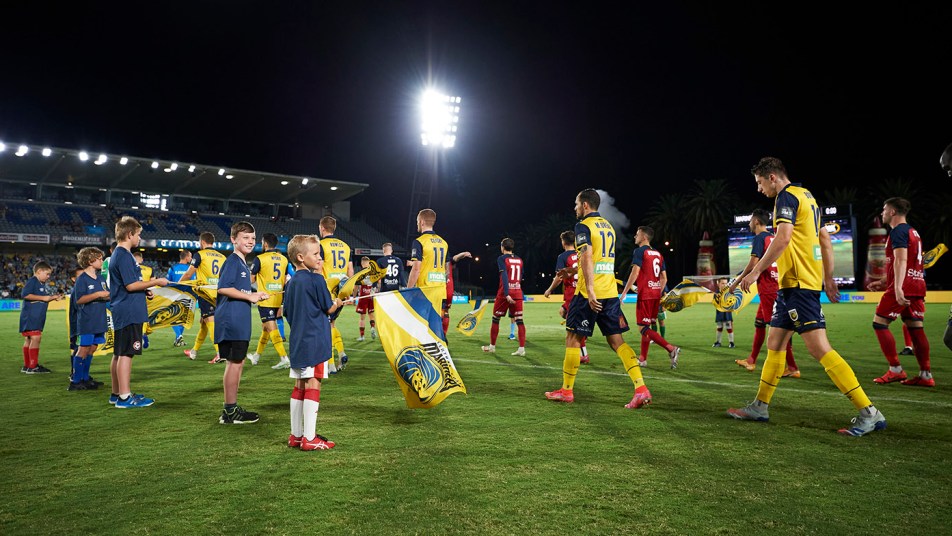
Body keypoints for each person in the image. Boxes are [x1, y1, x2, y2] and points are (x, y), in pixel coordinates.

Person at [727, 157, 885, 436]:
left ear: (772, 177)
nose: (759, 189)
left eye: (760, 183)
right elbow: (825, 238)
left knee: (819, 349)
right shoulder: (807, 196)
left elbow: (783, 238)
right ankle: (760, 406)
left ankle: (868, 412)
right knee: (774, 343)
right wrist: (828, 277)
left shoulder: (786, 197)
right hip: (794, 286)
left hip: (799, 285)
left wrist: (755, 273)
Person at [545, 189, 653, 409]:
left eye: (576, 204)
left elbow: (586, 256)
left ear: (585, 205)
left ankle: (566, 391)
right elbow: (597, 259)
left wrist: (590, 290)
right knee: (617, 342)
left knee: (573, 338)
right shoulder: (608, 227)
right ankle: (641, 389)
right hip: (610, 293)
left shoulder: (582, 226)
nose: (574, 207)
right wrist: (572, 271)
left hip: (588, 294)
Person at [284, 234, 343, 450]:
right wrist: (338, 301)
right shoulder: (316, 279)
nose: (320, 258)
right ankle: (309, 438)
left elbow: (287, 313)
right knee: (314, 381)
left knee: (299, 383)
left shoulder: (290, 283)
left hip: (298, 340)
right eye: (316, 254)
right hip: (316, 340)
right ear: (301, 257)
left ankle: (296, 435)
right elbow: (329, 308)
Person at [868, 198, 933, 386]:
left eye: (884, 209)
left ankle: (895, 369)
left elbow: (901, 261)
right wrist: (884, 280)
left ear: (893, 212)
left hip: (903, 286)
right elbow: (909, 263)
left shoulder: (898, 231)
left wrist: (896, 287)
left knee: (879, 323)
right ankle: (926, 375)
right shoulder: (914, 232)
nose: (882, 213)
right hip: (917, 285)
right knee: (915, 327)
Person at [729, 208, 800, 377]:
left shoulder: (760, 238)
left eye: (751, 220)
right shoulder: (773, 237)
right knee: (759, 324)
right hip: (776, 286)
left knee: (778, 329)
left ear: (756, 222)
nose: (749, 223)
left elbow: (753, 263)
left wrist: (736, 283)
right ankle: (751, 360)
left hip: (768, 290)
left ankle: (792, 367)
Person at [109, 216, 169, 408]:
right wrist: (156, 282)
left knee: (119, 353)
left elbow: (131, 285)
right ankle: (125, 397)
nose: (139, 239)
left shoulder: (119, 254)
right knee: (126, 353)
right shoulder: (124, 255)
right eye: (138, 235)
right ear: (129, 234)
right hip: (128, 310)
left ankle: (117, 393)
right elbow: (130, 284)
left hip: (124, 307)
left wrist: (145, 289)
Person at [215, 221, 270, 424]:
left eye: (253, 238)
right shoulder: (233, 262)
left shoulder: (241, 263)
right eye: (245, 238)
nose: (250, 241)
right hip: (231, 321)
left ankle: (231, 408)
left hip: (237, 321)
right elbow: (223, 288)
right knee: (234, 364)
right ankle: (230, 410)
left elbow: (238, 290)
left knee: (237, 363)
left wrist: (255, 294)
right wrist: (251, 297)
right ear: (233, 240)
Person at [619, 226, 681, 369]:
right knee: (647, 326)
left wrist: (623, 294)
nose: (635, 236)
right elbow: (664, 278)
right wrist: (657, 292)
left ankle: (671, 349)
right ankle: (643, 359)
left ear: (644, 237)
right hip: (655, 295)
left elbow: (634, 273)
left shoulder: (640, 251)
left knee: (643, 328)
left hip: (645, 295)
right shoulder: (658, 254)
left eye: (637, 234)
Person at [247, 233, 291, 369]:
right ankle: (256, 356)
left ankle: (284, 358)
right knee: (266, 328)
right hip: (278, 298)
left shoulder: (259, 259)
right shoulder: (284, 259)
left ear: (265, 244)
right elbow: (284, 280)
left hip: (265, 299)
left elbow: (251, 280)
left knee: (271, 328)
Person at [543, 231, 589, 363]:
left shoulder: (563, 256)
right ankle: (583, 334)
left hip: (572, 294)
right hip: (583, 291)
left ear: (563, 242)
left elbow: (559, 276)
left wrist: (549, 289)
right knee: (562, 311)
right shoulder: (581, 254)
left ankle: (583, 354)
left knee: (573, 327)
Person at [181, 232, 227, 363]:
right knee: (204, 323)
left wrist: (178, 284)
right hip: (219, 294)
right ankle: (194, 351)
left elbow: (189, 273)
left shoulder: (200, 255)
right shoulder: (223, 257)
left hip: (206, 294)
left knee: (210, 321)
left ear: (202, 242)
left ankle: (220, 353)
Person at [70, 247, 110, 391]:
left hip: (99, 319)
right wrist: (98, 294)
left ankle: (85, 379)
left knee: (92, 349)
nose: (102, 261)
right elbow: (79, 300)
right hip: (87, 320)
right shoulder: (82, 279)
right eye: (99, 258)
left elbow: (106, 295)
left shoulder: (100, 278)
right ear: (90, 261)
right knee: (83, 349)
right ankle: (75, 381)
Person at [407, 209, 450, 337]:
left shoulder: (419, 242)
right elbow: (447, 269)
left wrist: (408, 290)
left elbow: (416, 269)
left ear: (421, 222)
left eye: (417, 222)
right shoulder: (443, 242)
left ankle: (422, 353)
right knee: (435, 325)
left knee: (420, 325)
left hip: (425, 291)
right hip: (439, 290)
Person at [318, 216, 353, 371]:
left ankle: (330, 365)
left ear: (322, 227)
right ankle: (341, 352)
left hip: (327, 291)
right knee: (331, 324)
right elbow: (350, 271)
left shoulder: (320, 245)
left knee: (325, 327)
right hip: (341, 291)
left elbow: (318, 269)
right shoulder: (345, 246)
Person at [481, 238, 527, 356]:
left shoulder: (502, 258)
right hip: (517, 292)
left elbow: (504, 275)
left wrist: (506, 293)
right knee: (520, 320)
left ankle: (492, 347)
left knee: (495, 318)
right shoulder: (519, 260)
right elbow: (521, 276)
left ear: (502, 247)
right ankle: (521, 349)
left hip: (504, 293)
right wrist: (516, 288)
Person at [19, 260, 63, 374]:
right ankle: (33, 366)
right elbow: (25, 294)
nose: (48, 277)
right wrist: (45, 298)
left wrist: (52, 297)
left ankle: (28, 365)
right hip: (31, 316)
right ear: (39, 271)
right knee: (35, 338)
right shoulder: (33, 281)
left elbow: (42, 298)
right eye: (47, 274)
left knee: (29, 339)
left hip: (34, 316)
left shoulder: (40, 283)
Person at [167, 250, 194, 347]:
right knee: (183, 318)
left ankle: (178, 337)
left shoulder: (172, 268)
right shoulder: (190, 269)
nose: (191, 259)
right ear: (186, 257)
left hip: (174, 295)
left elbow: (168, 282)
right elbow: (193, 282)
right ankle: (179, 337)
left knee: (173, 316)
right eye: (190, 256)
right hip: (187, 296)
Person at [442, 251, 472, 337]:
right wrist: (464, 254)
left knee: (434, 313)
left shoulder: (434, 263)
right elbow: (456, 257)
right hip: (449, 289)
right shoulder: (449, 263)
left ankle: (435, 335)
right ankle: (443, 335)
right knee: (446, 312)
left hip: (439, 289)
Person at [352, 256, 377, 342]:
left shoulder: (360, 273)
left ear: (362, 263)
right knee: (371, 314)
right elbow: (379, 283)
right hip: (371, 296)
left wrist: (354, 297)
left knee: (362, 318)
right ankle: (373, 327)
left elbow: (356, 287)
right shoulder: (373, 272)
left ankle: (362, 336)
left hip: (363, 296)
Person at [132, 251, 153, 349]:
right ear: (142, 259)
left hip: (134, 296)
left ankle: (142, 335)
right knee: (146, 317)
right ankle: (144, 334)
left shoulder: (131, 269)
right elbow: (153, 284)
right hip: (148, 295)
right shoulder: (149, 269)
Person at [712, 277, 735, 348]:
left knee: (729, 327)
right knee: (719, 327)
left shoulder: (729, 292)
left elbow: (732, 302)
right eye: (722, 283)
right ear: (718, 284)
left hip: (727, 313)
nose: (724, 285)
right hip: (719, 313)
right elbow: (715, 303)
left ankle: (731, 342)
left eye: (726, 283)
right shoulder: (716, 293)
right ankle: (718, 342)